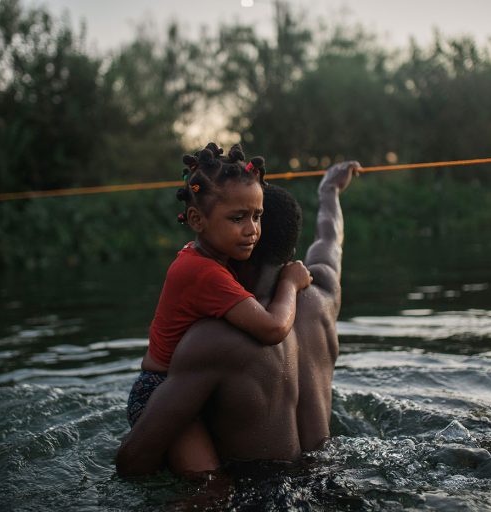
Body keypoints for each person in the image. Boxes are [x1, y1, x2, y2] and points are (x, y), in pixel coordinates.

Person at [116, 160, 359, 476]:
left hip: (256, 496)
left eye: (256, 217)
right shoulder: (324, 288)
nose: (250, 228)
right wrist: (329, 191)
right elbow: (329, 237)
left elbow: (132, 462)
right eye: (238, 218)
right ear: (292, 246)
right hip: (327, 474)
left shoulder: (212, 339)